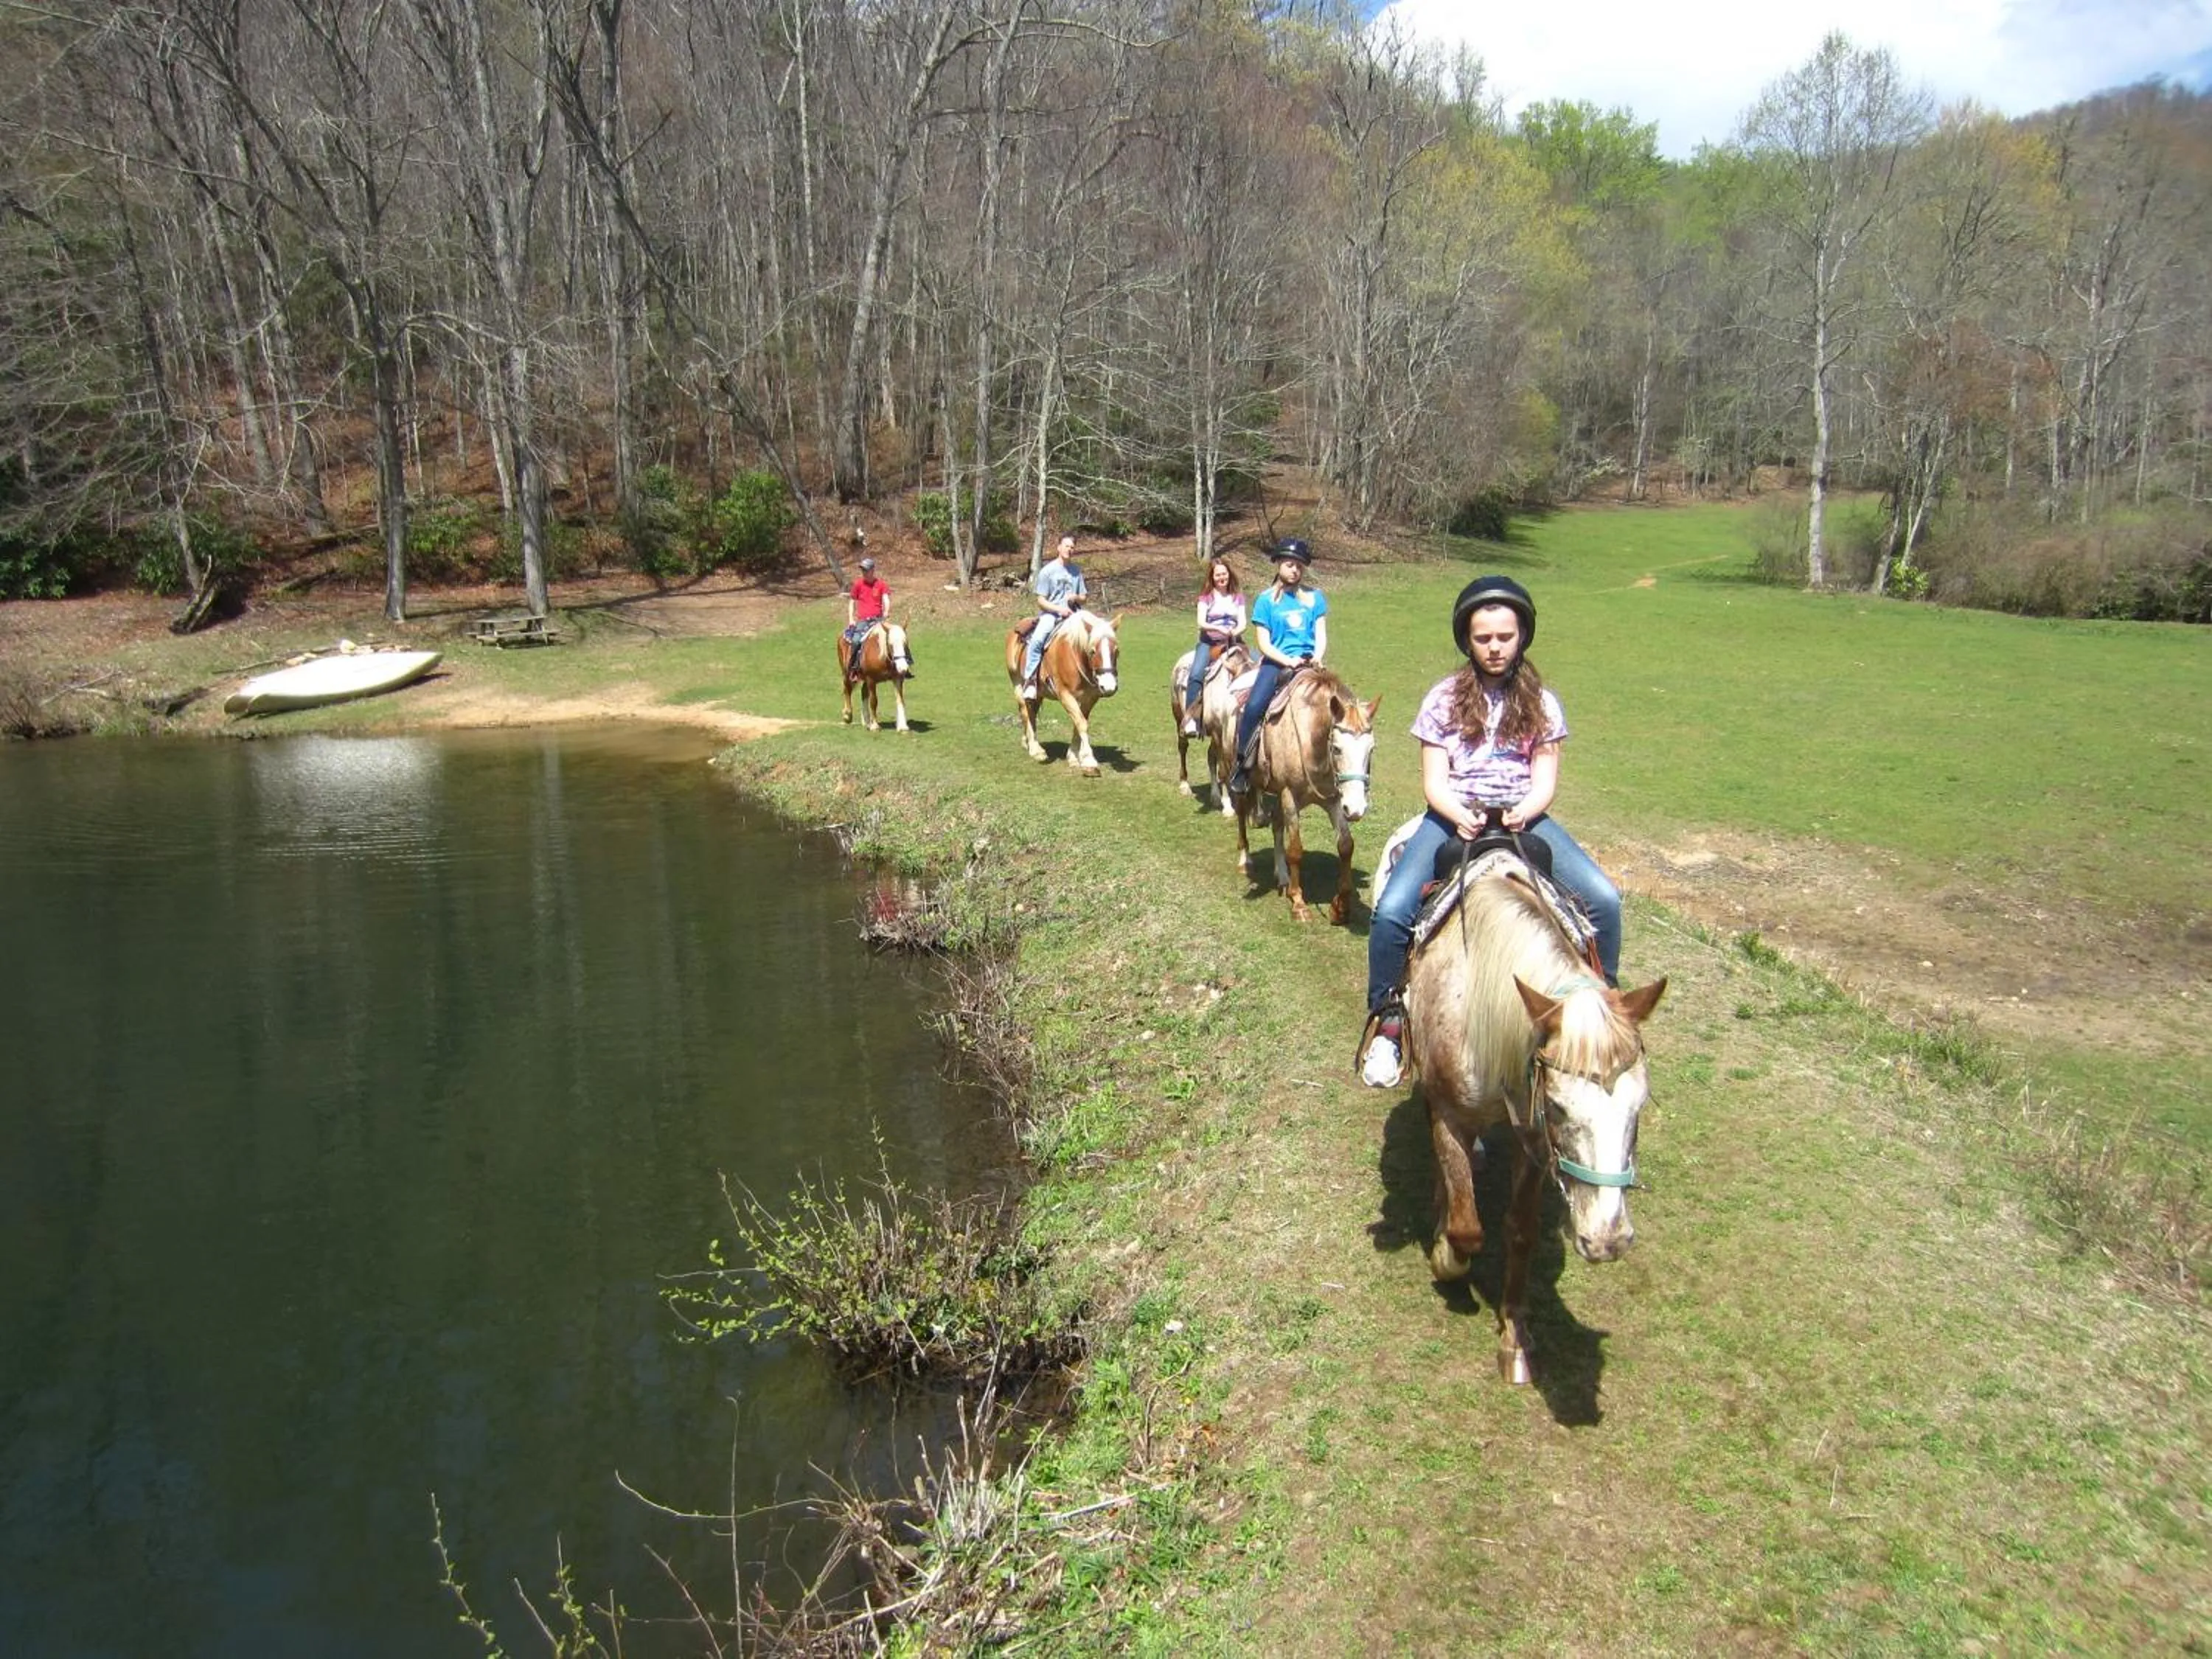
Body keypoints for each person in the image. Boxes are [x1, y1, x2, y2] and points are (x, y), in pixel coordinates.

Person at [1360, 574, 1624, 1090]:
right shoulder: (1442, 699)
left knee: (1604, 900)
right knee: (1392, 911)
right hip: (1453, 815)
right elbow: (1434, 779)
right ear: (1468, 640)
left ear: (1522, 636)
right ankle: (1388, 1022)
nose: (1495, 647)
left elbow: (1545, 778)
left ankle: (1601, 1006)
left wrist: (1526, 809)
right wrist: (1456, 812)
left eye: (1505, 636)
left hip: (1525, 815)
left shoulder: (1543, 703)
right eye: (1483, 638)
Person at [1227, 538, 1326, 796]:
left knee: (1339, 706)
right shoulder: (1266, 600)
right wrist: (1287, 660)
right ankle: (1242, 766)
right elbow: (1263, 643)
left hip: (1309, 663)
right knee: (1254, 707)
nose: (1295, 570)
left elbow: (1320, 634)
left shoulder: (1315, 598)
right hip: (1276, 663)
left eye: (1299, 566)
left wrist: (1318, 656)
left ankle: (1335, 769)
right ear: (1279, 564)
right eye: (1290, 565)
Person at [1181, 557, 1247, 736]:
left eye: (1224, 574)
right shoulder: (1206, 598)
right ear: (1212, 577)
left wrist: (1234, 632)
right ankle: (1191, 718)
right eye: (1218, 575)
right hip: (1210, 643)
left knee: (1256, 666)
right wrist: (1218, 628)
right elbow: (1201, 622)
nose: (1221, 578)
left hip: (1234, 641)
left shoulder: (1238, 597)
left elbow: (1243, 623)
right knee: (1196, 673)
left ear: (1229, 574)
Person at [1018, 535, 1087, 698]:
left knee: (1093, 638)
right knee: (1037, 640)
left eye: (1072, 547)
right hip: (1051, 615)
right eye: (1066, 546)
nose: (1069, 549)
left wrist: (1076, 597)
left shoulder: (1076, 572)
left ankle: (1092, 678)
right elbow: (1041, 601)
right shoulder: (1048, 571)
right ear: (1059, 548)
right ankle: (1030, 680)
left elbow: (1084, 597)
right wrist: (1059, 609)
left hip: (1074, 615)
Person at [844, 555, 890, 675]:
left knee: (896, 636)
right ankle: (854, 667)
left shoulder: (881, 585)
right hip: (863, 621)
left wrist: (886, 612)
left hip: (878, 620)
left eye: (866, 570)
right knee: (856, 640)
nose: (864, 572)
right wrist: (851, 619)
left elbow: (886, 599)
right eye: (863, 570)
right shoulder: (858, 585)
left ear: (872, 570)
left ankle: (902, 666)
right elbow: (852, 602)